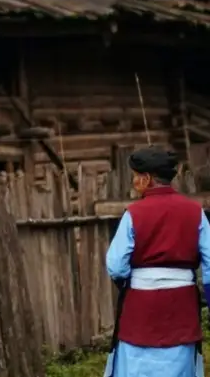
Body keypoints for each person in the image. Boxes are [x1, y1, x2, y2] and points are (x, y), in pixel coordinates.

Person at [105, 147, 210, 377]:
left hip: (140, 310)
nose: (134, 182)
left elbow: (115, 265)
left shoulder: (134, 214)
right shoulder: (195, 212)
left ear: (147, 179)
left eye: (135, 176)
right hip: (181, 309)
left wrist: (129, 282)